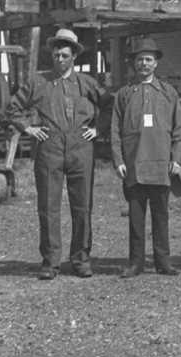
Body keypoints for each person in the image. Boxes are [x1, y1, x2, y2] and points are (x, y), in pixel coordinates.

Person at [6, 28, 106, 280]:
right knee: (48, 206)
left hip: (80, 147)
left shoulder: (86, 83)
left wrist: (98, 129)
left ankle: (81, 259)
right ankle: (50, 262)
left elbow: (111, 104)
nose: (59, 59)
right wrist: (28, 128)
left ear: (73, 56)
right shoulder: (39, 82)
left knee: (82, 206)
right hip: (49, 147)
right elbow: (12, 107)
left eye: (64, 55)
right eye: (55, 55)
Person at [111, 38, 181, 278]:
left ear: (156, 63)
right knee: (136, 217)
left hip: (161, 165)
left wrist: (176, 159)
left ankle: (163, 262)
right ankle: (136, 263)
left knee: (161, 216)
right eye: (139, 59)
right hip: (133, 166)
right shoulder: (124, 94)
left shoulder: (168, 92)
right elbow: (114, 130)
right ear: (134, 63)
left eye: (148, 59)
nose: (144, 64)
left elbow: (179, 129)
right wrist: (118, 160)